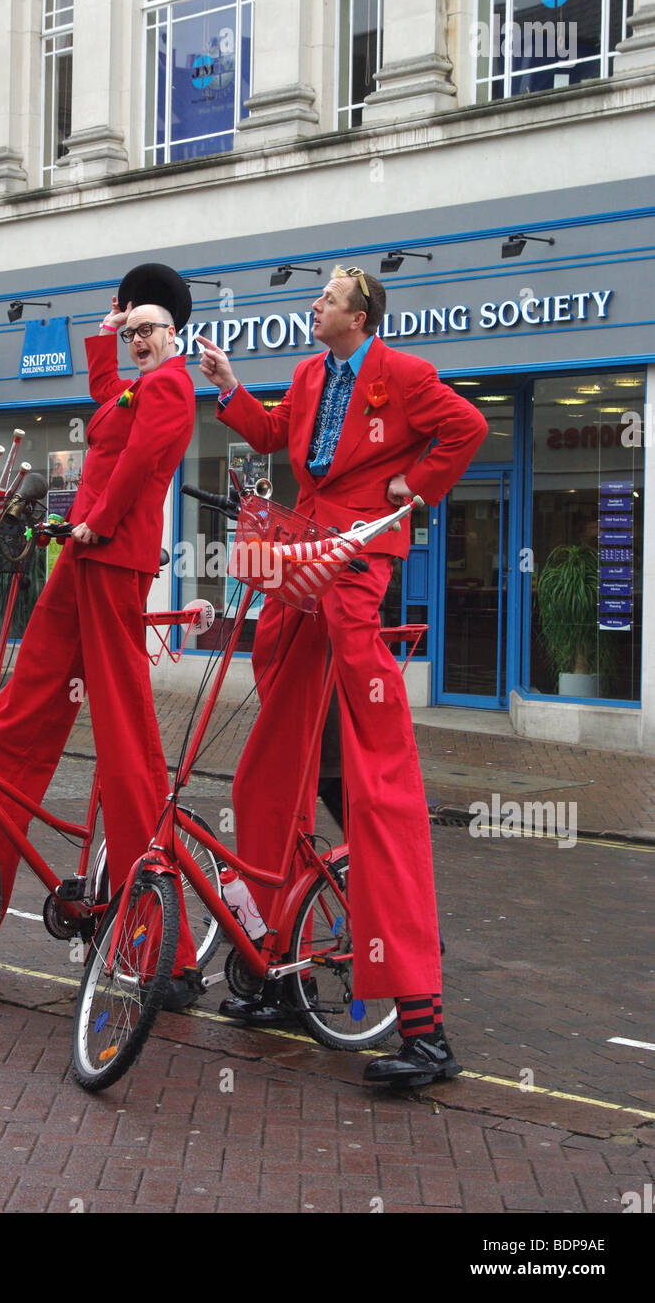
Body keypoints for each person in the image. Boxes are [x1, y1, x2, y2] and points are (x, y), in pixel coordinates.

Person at [197, 265, 488, 1088]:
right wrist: (229, 387)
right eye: (316, 295)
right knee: (266, 768)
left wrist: (414, 487)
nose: (313, 304)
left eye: (326, 297)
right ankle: (269, 972)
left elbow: (463, 431)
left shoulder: (403, 375)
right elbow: (273, 435)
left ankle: (425, 1031)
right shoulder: (309, 373)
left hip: (355, 564)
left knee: (380, 783)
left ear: (359, 314)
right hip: (301, 560)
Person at [0, 263, 201, 1009]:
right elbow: (107, 407)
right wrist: (102, 335)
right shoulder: (131, 387)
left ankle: (166, 953)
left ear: (173, 333)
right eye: (135, 326)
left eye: (150, 327)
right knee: (6, 729)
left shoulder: (175, 386)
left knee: (128, 753)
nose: (139, 337)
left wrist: (98, 522)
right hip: (78, 564)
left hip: (111, 561)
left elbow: (144, 463)